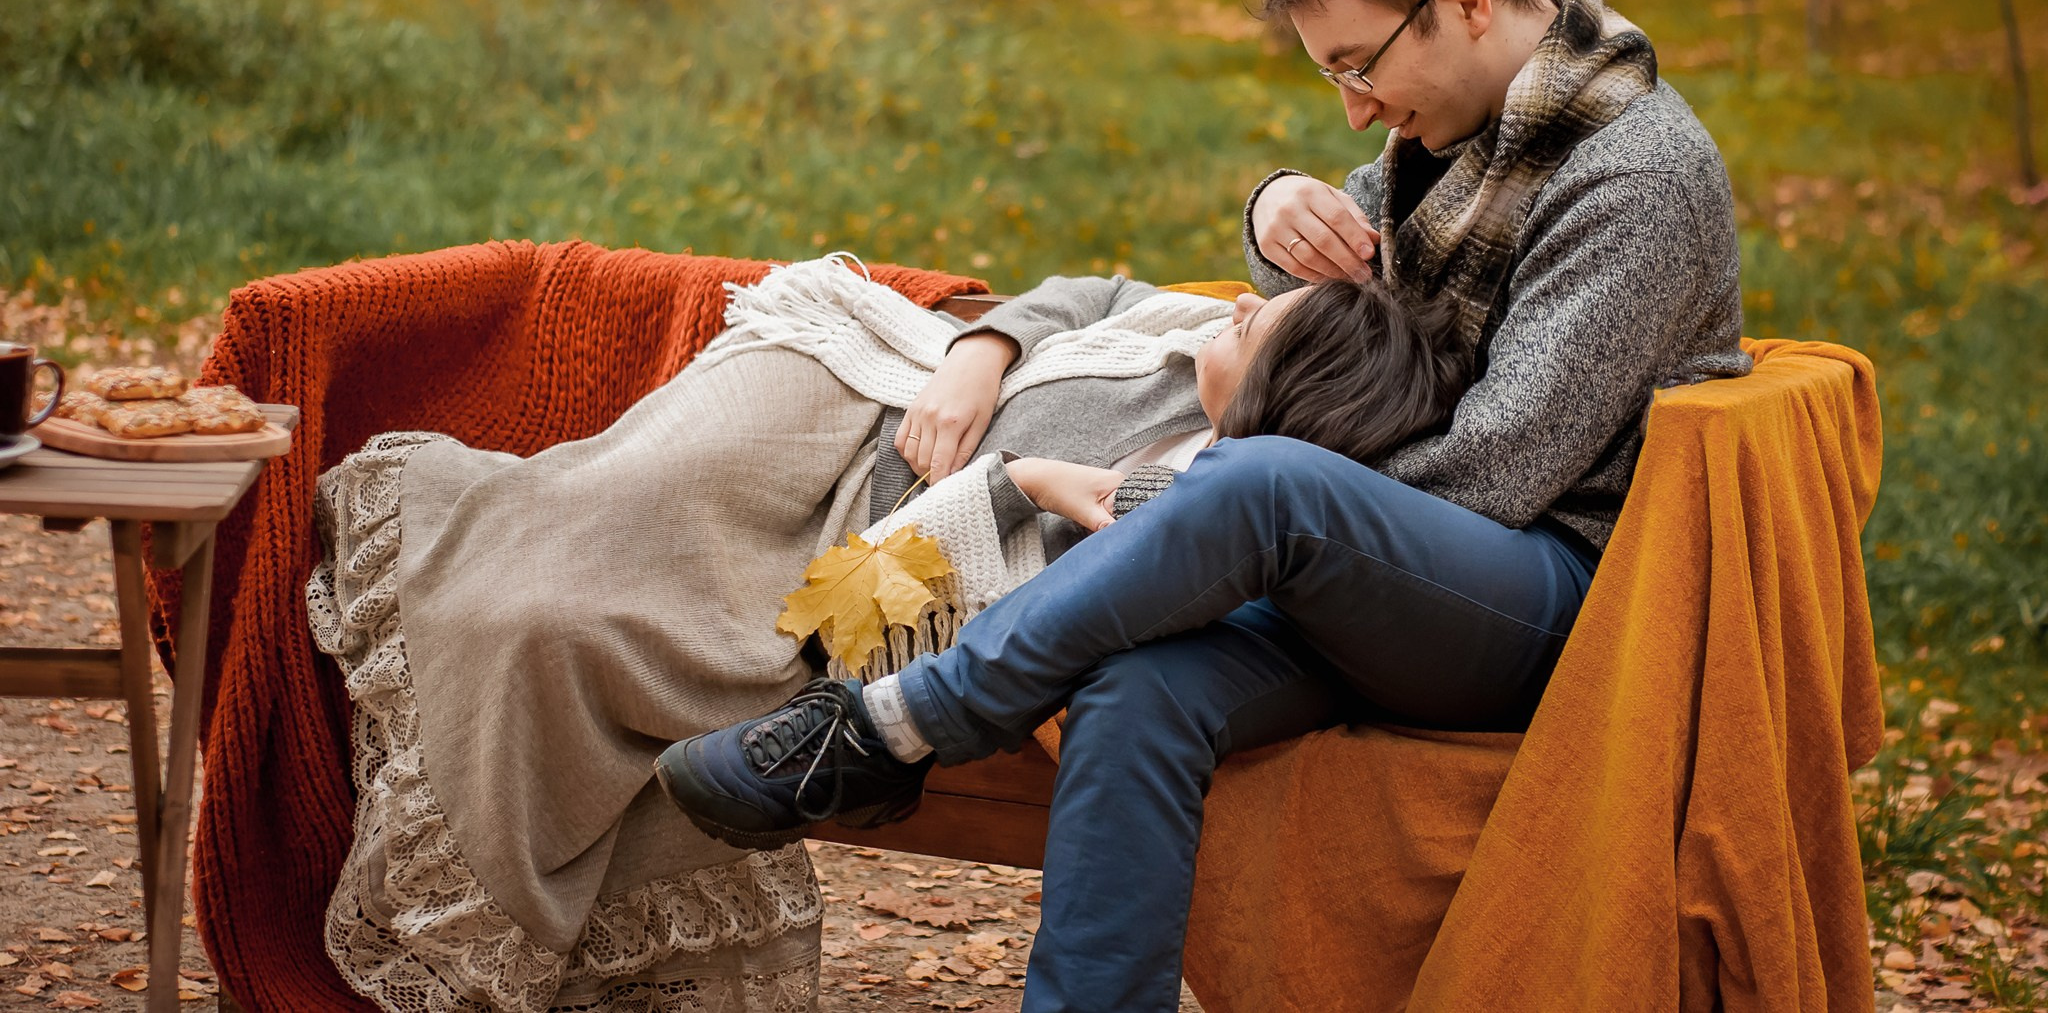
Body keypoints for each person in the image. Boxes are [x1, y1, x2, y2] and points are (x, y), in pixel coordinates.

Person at [656, 0, 1754, 1013]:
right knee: (1143, 689)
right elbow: (1336, 287)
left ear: (1464, 2)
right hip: (1397, 575)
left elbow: (1490, 473)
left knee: (1267, 482)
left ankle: (894, 725)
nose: (1354, 107)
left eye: (1358, 66)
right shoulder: (1469, 127)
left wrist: (1187, 514)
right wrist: (1273, 205)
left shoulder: (1630, 177)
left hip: (1548, 600)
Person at [308, 256, 1463, 1013]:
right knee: (568, 529)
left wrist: (1029, 478)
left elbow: (1093, 565)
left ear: (1283, 393)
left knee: (551, 621)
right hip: (856, 387)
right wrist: (979, 352)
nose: (1240, 303)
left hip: (858, 545)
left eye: (1262, 323)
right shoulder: (1181, 327)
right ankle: (461, 555)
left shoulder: (1188, 492)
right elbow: (1081, 293)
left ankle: (485, 908)